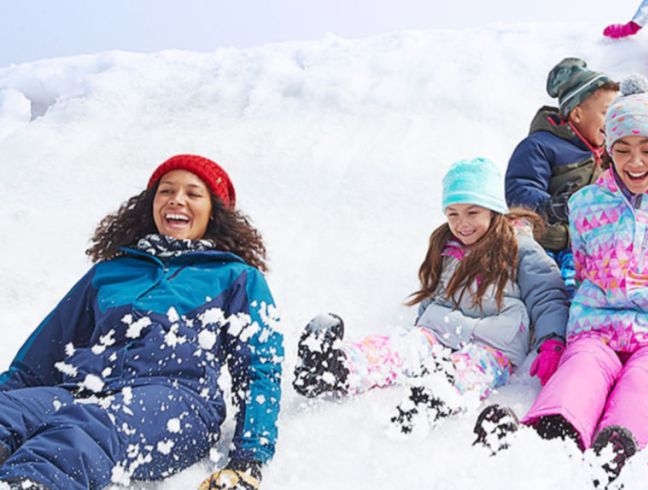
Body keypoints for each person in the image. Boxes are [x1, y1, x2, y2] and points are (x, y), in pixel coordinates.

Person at [475, 77, 648, 481]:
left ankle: (627, 444)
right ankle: (551, 432)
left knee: (645, 380)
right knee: (581, 368)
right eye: (622, 150)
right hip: (597, 327)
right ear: (608, 152)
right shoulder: (586, 204)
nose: (635, 162)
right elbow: (581, 270)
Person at [0, 154, 282, 490]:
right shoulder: (111, 273)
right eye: (166, 191)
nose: (177, 199)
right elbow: (44, 352)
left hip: (178, 403)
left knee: (84, 427)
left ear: (214, 212)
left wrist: (250, 457)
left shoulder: (235, 277)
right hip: (83, 390)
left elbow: (259, 369)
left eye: (193, 194)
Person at [292, 157, 569, 434]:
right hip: (442, 330)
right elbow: (433, 292)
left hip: (494, 342)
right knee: (404, 348)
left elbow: (546, 294)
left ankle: (436, 395)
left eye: (472, 213)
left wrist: (552, 340)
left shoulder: (518, 245)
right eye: (453, 214)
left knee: (475, 367)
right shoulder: (445, 245)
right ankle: (334, 367)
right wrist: (420, 329)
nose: (462, 224)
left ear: (494, 210)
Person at [505, 58, 619, 291]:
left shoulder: (610, 152)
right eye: (607, 113)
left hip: (586, 245)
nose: (614, 121)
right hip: (548, 242)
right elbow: (519, 187)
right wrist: (549, 206)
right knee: (552, 288)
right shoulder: (540, 145)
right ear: (577, 114)